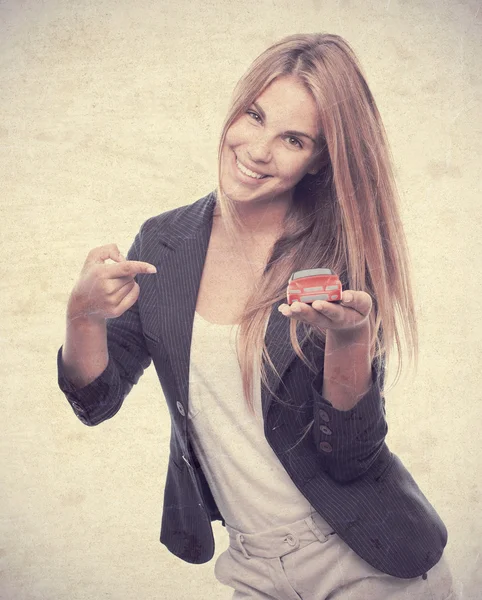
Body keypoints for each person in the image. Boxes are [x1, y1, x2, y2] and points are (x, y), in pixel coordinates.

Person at [57, 33, 458, 599]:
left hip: (365, 560)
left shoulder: (340, 258)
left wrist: (351, 342)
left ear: (319, 159)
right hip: (253, 566)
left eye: (292, 139)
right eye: (254, 115)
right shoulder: (163, 243)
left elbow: (349, 457)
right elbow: (95, 402)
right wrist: (82, 317)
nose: (257, 149)